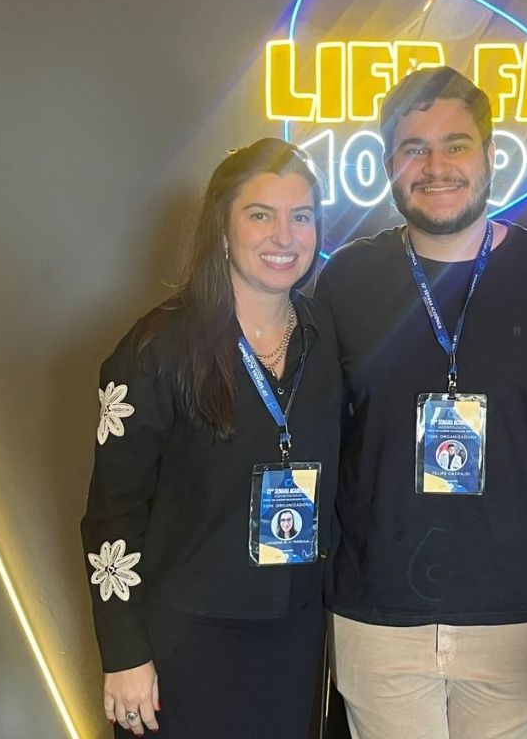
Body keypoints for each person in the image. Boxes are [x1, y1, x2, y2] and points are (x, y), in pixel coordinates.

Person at [314, 66, 527, 739]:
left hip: (517, 610)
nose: (436, 165)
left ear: (489, 155)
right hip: (377, 605)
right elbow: (303, 426)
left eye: (456, 144)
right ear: (387, 163)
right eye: (412, 147)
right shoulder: (347, 281)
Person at [80, 139, 341, 737]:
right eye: (260, 215)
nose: (284, 236)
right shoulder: (156, 348)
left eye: (300, 216)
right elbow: (111, 514)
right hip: (185, 645)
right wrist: (124, 655)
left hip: (294, 637)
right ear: (222, 229)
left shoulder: (325, 336)